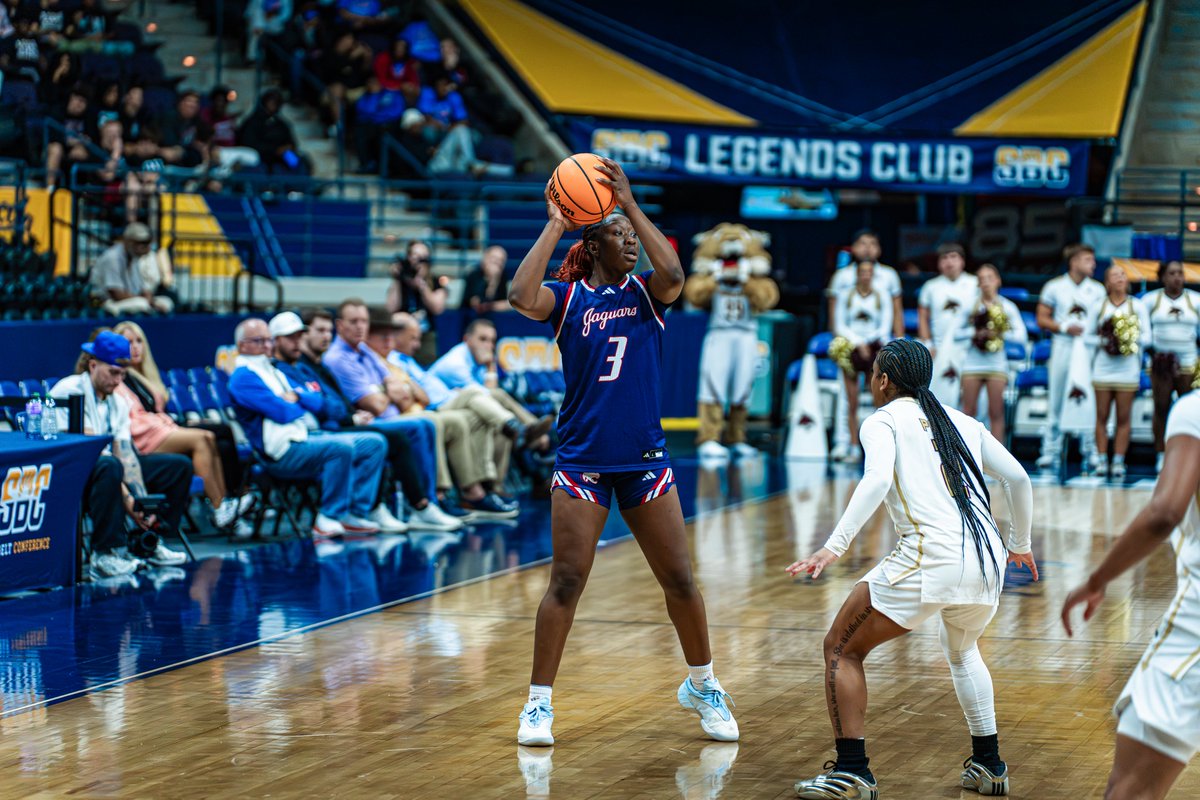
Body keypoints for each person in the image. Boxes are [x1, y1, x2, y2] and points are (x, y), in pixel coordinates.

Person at [508, 158, 739, 747]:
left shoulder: (648, 296)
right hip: (582, 462)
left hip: (645, 461)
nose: (632, 242)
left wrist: (630, 205)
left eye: (634, 234)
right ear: (595, 241)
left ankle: (703, 683)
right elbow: (518, 294)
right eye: (620, 234)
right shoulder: (564, 300)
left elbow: (675, 270)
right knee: (566, 581)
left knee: (682, 581)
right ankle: (537, 705)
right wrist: (556, 224)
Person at [787, 338, 1037, 799]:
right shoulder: (962, 421)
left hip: (931, 558)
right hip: (985, 561)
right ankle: (989, 764)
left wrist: (832, 547)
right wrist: (1019, 545)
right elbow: (1019, 478)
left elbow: (877, 478)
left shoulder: (882, 420)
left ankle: (853, 772)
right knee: (963, 652)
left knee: (841, 648)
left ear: (883, 380)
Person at [1061, 390, 1200, 800]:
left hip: (1194, 637)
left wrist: (1097, 579)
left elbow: (1164, 513)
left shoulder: (1193, 409)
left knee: (1128, 791)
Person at [323, 300, 519, 518]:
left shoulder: (366, 353)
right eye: (354, 321)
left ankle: (476, 491)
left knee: (465, 417)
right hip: (383, 420)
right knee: (437, 417)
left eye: (364, 321)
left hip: (408, 412)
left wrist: (389, 389)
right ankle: (432, 499)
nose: (360, 327)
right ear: (340, 325)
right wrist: (391, 389)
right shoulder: (340, 358)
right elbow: (378, 404)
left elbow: (413, 394)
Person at [294, 308, 462, 532]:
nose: (326, 336)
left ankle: (429, 501)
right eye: (320, 330)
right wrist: (355, 411)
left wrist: (376, 396)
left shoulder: (336, 360)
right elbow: (349, 404)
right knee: (396, 436)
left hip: (355, 419)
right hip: (337, 426)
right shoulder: (327, 360)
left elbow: (402, 391)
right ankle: (412, 505)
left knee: (424, 425)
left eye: (364, 321)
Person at [228, 318, 386, 538]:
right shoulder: (243, 377)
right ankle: (328, 517)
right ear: (242, 345)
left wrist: (297, 398)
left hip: (306, 436)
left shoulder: (272, 370)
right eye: (259, 341)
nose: (266, 346)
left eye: (268, 340)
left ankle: (353, 513)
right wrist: (294, 403)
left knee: (373, 443)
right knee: (340, 448)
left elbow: (315, 402)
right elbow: (284, 412)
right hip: (281, 451)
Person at [51, 331, 191, 577]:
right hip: (69, 472)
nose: (118, 380)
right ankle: (105, 553)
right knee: (110, 467)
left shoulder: (118, 402)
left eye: (123, 374)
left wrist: (142, 501)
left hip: (106, 466)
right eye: (113, 372)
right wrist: (129, 500)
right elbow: (91, 450)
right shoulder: (68, 390)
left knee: (178, 466)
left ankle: (152, 539)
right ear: (93, 365)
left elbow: (125, 453)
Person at [112, 321, 251, 529]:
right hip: (142, 439)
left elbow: (156, 413)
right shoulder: (118, 380)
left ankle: (226, 504)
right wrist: (172, 424)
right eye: (129, 342)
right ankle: (219, 506)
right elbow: (135, 421)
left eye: (139, 341)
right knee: (203, 438)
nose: (135, 347)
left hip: (159, 431)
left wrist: (174, 423)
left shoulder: (144, 376)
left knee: (218, 436)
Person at [1035, 243, 1106, 471]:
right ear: (1074, 261)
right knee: (1056, 397)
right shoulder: (1054, 287)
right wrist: (1064, 327)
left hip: (1089, 348)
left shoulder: (1098, 289)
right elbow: (1041, 318)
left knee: (1088, 398)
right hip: (1063, 345)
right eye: (1088, 260)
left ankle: (1091, 450)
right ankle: (1050, 451)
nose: (1093, 264)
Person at [1088, 265, 1151, 481]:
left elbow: (1148, 338)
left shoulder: (1138, 306)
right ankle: (1102, 458)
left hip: (1127, 369)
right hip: (1103, 369)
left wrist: (1127, 338)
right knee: (1102, 415)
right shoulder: (1099, 306)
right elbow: (1087, 338)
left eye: (1123, 274)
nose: (1120, 278)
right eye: (1114, 275)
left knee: (1124, 417)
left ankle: (1118, 461)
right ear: (1107, 282)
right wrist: (1107, 340)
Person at [958, 264, 1027, 442]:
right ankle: (966, 451)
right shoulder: (970, 305)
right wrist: (975, 333)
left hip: (996, 363)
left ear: (998, 281)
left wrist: (1000, 333)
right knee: (968, 411)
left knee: (996, 411)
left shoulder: (1007, 306)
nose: (986, 282)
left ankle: (999, 456)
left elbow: (1021, 336)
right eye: (981, 279)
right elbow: (956, 333)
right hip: (973, 363)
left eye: (989, 278)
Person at [832, 261, 892, 463]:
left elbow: (885, 325)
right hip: (851, 350)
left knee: (878, 400)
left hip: (874, 350)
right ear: (856, 274)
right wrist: (857, 343)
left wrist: (869, 343)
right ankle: (853, 445)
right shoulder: (845, 295)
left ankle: (876, 446)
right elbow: (839, 324)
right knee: (852, 401)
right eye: (862, 272)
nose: (865, 275)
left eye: (869, 272)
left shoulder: (881, 295)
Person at [1143, 260, 1200, 472]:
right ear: (1163, 277)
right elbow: (1143, 333)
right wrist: (1154, 354)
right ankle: (1161, 453)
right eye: (1172, 273)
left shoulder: (1195, 300)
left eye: (1180, 273)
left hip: (1188, 364)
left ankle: (1189, 455)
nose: (1177, 277)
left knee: (1188, 411)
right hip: (1160, 366)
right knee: (1161, 408)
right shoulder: (1151, 300)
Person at [826, 230, 904, 340]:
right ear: (853, 247)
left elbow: (897, 311)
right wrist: (838, 343)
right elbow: (833, 314)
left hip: (881, 339)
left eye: (873, 243)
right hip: (847, 340)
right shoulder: (841, 276)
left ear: (879, 249)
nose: (867, 248)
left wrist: (899, 339)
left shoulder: (889, 275)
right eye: (863, 243)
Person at [89, 223, 174, 315]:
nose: (144, 247)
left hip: (129, 299)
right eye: (140, 243)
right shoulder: (113, 257)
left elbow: (142, 288)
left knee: (167, 302)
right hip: (106, 302)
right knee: (142, 304)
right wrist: (144, 299)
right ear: (128, 242)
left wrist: (150, 299)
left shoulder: (134, 258)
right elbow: (116, 293)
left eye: (146, 243)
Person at [385, 240, 446, 363]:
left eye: (423, 258)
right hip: (401, 336)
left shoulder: (435, 281)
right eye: (415, 257)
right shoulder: (400, 282)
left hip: (426, 337)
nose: (418, 262)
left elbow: (437, 308)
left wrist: (421, 284)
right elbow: (390, 308)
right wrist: (398, 279)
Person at [237, 89, 311, 176]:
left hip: (281, 157)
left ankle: (302, 186)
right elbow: (249, 143)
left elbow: (291, 141)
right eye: (271, 101)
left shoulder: (281, 124)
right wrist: (274, 150)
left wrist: (288, 147)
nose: (273, 104)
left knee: (297, 160)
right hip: (260, 158)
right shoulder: (252, 122)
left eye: (276, 102)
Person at [461, 245, 511, 322]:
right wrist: (492, 281)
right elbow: (477, 304)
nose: (497, 263)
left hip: (494, 320)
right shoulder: (473, 274)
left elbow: (506, 304)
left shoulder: (503, 276)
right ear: (485, 257)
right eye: (494, 258)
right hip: (471, 319)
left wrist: (494, 279)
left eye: (501, 260)